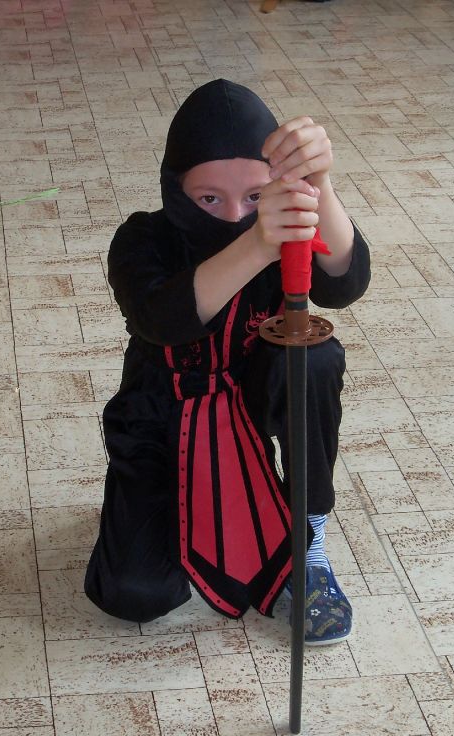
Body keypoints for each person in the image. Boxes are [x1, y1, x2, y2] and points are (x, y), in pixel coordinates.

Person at [84, 79, 370, 645]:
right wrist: (258, 243)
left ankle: (308, 536)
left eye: (255, 197)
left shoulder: (285, 225)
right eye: (209, 199)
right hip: (162, 417)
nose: (235, 214)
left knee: (315, 359)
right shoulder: (141, 239)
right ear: (176, 189)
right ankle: (160, 512)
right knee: (135, 593)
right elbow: (164, 320)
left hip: (252, 400)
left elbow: (344, 283)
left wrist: (320, 185)